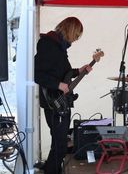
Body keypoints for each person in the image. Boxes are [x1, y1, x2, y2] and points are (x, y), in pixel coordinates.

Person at [34, 17, 92, 174]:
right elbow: (37, 74)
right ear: (70, 30)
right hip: (54, 102)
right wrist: (58, 85)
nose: (76, 39)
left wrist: (79, 71)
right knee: (60, 144)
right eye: (77, 34)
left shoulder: (59, 47)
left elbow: (62, 73)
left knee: (58, 141)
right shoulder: (48, 44)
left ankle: (50, 168)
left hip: (60, 102)